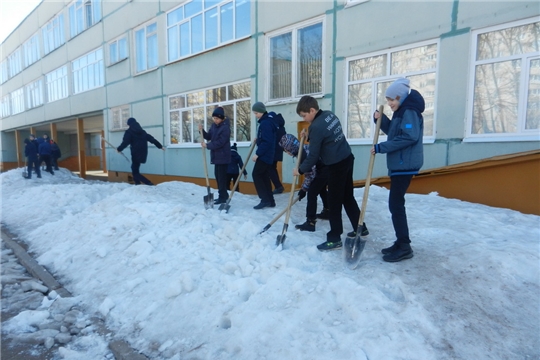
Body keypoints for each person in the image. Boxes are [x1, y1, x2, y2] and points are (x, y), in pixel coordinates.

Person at [293, 95, 367, 251]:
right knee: (347, 197)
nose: (305, 119)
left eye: (305, 115)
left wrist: (300, 170)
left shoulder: (316, 126)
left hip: (336, 166)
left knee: (334, 203)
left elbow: (313, 156)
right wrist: (309, 136)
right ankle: (360, 227)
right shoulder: (329, 115)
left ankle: (334, 238)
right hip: (347, 158)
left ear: (312, 110)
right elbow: (327, 138)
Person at [372, 78, 425, 262]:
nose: (390, 103)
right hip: (400, 164)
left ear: (400, 97)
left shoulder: (409, 111)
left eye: (392, 100)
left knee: (396, 204)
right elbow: (394, 133)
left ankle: (404, 246)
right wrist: (381, 120)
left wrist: (381, 148)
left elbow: (409, 137)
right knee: (396, 204)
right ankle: (401, 241)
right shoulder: (401, 111)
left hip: (405, 164)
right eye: (387, 100)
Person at [279, 133, 329, 232]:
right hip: (325, 168)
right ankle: (328, 211)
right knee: (321, 189)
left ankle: (310, 222)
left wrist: (304, 189)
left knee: (312, 193)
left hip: (324, 170)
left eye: (287, 150)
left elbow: (311, 174)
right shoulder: (302, 149)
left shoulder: (303, 155)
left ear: (292, 147)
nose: (287, 153)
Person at [117, 117, 165, 185]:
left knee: (135, 171)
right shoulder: (142, 132)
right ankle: (137, 184)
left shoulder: (129, 132)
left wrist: (119, 149)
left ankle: (148, 182)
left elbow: (125, 142)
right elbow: (152, 139)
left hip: (135, 153)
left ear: (129, 124)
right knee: (135, 168)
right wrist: (160, 146)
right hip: (143, 153)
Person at [199, 107, 231, 204]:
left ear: (221, 118)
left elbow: (220, 142)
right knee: (218, 176)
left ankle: (223, 197)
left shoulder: (225, 128)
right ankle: (223, 195)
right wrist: (202, 131)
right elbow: (209, 136)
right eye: (214, 118)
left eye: (217, 118)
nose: (215, 120)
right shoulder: (214, 126)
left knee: (221, 178)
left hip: (223, 156)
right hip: (217, 156)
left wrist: (207, 145)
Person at [251, 102, 277, 209]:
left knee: (256, 174)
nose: (256, 115)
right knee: (264, 176)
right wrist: (259, 140)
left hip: (265, 156)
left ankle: (264, 199)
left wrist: (257, 154)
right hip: (269, 155)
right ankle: (270, 201)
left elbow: (267, 141)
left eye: (256, 113)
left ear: (261, 111)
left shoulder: (265, 123)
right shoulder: (268, 121)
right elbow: (266, 138)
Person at [269, 113, 286, 194]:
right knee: (272, 168)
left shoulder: (274, 125)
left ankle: (278, 186)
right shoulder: (281, 126)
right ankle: (278, 186)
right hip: (278, 150)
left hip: (273, 150)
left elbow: (271, 138)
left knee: (270, 168)